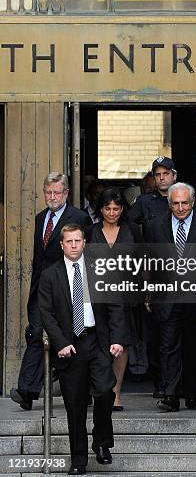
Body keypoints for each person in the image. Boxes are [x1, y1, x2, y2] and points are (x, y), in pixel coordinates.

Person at [39, 224, 129, 475]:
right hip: (70, 345)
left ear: (84, 242)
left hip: (96, 340)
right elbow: (45, 313)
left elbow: (115, 305)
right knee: (75, 405)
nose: (74, 245)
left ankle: (101, 442)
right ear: (62, 245)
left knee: (104, 391)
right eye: (69, 241)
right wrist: (60, 343)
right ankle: (78, 459)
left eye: (78, 240)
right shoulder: (50, 275)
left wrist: (118, 338)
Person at [10, 172, 90, 411]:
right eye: (48, 192)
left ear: (66, 193)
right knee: (35, 333)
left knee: (72, 336)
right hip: (42, 288)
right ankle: (27, 391)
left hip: (69, 288)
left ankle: (82, 391)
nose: (52, 197)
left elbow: (86, 254)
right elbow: (39, 258)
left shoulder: (79, 217)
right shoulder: (39, 218)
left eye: (57, 192)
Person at [145, 182, 196, 412]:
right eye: (175, 203)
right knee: (168, 347)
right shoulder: (155, 226)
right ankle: (171, 395)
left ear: (193, 202)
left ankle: (192, 394)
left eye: (185, 203)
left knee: (194, 347)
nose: (180, 208)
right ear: (169, 204)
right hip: (165, 297)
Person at [86, 188, 141, 410]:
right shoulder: (90, 231)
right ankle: (98, 390)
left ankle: (116, 393)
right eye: (107, 208)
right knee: (96, 342)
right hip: (95, 295)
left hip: (125, 295)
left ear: (122, 209)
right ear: (100, 209)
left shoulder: (132, 230)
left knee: (122, 343)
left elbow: (142, 261)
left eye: (116, 208)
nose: (112, 212)